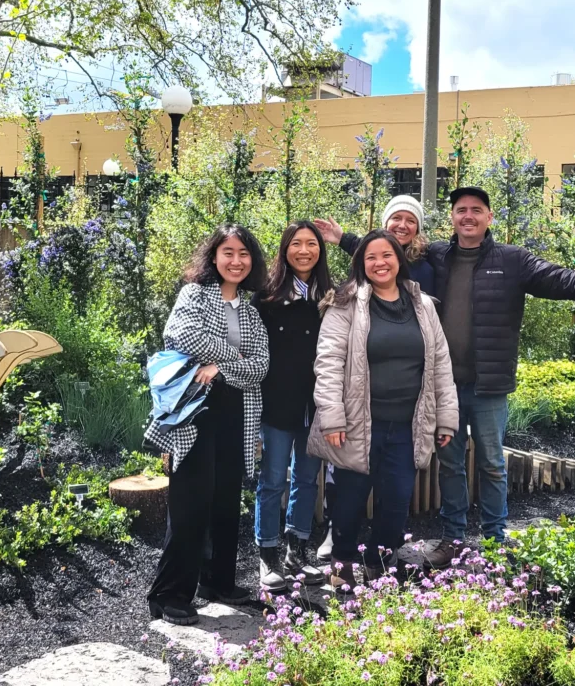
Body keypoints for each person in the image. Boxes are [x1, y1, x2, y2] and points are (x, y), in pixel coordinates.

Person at [422, 186, 575, 569]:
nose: (467, 216)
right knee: (451, 465)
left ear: (489, 218)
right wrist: (342, 240)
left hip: (488, 387)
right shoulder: (436, 256)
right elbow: (385, 252)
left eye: (476, 210)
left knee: (491, 463)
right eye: (460, 210)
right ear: (451, 218)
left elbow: (565, 282)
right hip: (444, 388)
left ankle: (494, 542)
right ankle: (453, 538)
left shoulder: (512, 260)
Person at [307, 229, 458, 591]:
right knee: (349, 499)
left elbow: (440, 363)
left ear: (398, 259)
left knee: (396, 501)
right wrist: (332, 416)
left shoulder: (423, 306)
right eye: (371, 257)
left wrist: (447, 418)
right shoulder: (344, 303)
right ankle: (342, 563)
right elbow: (328, 363)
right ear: (361, 262)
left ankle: (379, 561)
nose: (380, 263)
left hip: (408, 425)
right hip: (357, 423)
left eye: (386, 255)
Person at [145, 224, 269, 626]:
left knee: (225, 499)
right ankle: (169, 594)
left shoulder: (251, 309)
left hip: (237, 410)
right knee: (191, 502)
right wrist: (235, 359)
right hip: (196, 412)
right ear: (214, 257)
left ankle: (217, 582)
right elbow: (179, 334)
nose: (236, 261)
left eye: (244, 254)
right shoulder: (194, 295)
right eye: (228, 252)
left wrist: (219, 367)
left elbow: (262, 365)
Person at [250, 221, 333, 592]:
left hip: (316, 406)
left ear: (320, 249)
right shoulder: (266, 296)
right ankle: (267, 555)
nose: (304, 250)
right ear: (285, 250)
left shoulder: (332, 295)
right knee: (272, 480)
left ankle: (296, 551)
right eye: (296, 244)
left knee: (306, 479)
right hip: (277, 404)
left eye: (311, 244)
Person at [315, 194, 434, 294]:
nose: (402, 226)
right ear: (385, 224)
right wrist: (341, 238)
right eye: (396, 218)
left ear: (417, 229)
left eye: (411, 221)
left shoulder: (423, 270)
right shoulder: (365, 255)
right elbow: (360, 246)